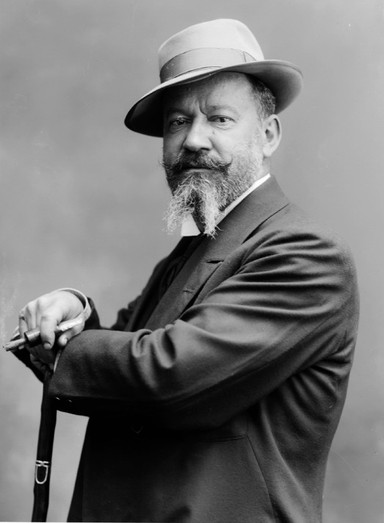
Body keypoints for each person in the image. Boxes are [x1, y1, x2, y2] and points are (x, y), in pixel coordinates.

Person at [13, 19, 359, 523]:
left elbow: (168, 376)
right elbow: (121, 358)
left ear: (268, 134)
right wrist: (73, 312)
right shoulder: (191, 253)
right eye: (177, 122)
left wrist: (64, 346)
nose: (194, 139)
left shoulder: (306, 254)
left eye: (218, 119)